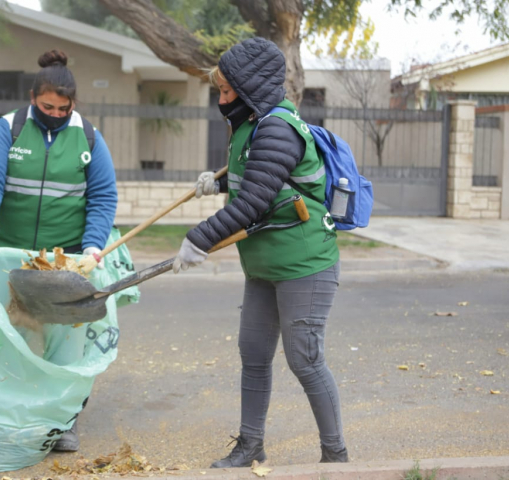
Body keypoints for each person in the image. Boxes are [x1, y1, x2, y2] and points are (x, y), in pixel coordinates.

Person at [173, 37, 348, 467]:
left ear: (250, 88)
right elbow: (259, 180)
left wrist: (199, 238)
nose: (221, 99)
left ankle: (337, 457)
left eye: (227, 91)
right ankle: (251, 445)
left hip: (305, 265)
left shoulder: (278, 127)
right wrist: (217, 182)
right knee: (253, 354)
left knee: (305, 360)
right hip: (265, 265)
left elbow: (252, 203)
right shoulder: (251, 123)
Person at [0, 49, 118, 452]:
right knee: (11, 333)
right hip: (12, 254)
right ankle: (3, 412)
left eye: (62, 107)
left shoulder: (87, 136)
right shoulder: (8, 130)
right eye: (46, 105)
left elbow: (103, 195)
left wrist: (92, 243)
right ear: (33, 98)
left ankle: (62, 421)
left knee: (65, 341)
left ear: (73, 104)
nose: (54, 112)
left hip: (63, 257)